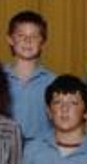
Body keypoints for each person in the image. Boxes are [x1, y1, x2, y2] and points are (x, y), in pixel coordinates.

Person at [3, 10, 57, 144]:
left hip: (41, 153)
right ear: (10, 39)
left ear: (43, 42)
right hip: (3, 151)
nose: (27, 41)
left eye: (34, 36)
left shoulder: (53, 81)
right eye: (21, 35)